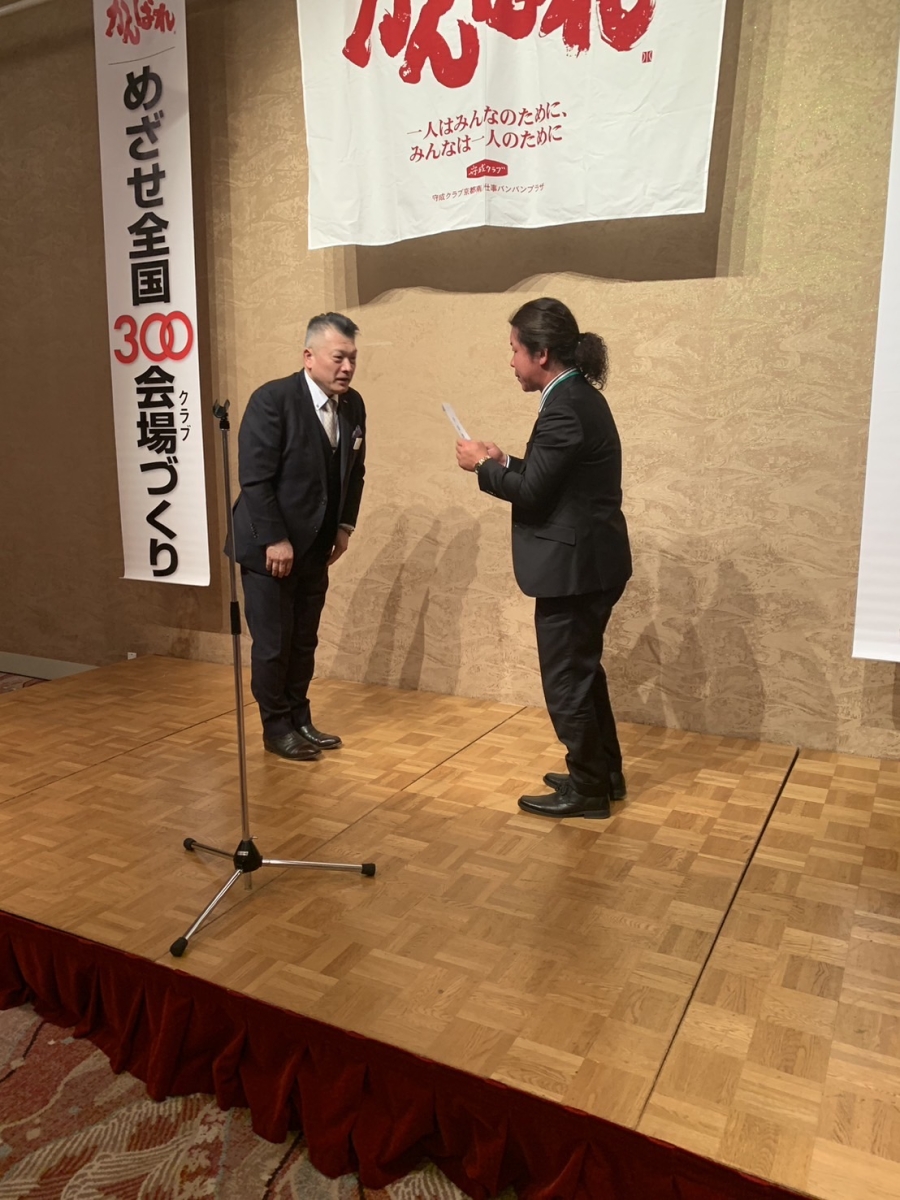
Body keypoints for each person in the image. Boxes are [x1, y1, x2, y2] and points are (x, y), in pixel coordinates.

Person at [456, 297, 631, 819]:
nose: (510, 360)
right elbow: (551, 478)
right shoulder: (576, 397)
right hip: (590, 563)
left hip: (575, 570)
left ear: (542, 353)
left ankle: (589, 790)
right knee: (583, 674)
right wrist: (504, 460)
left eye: (514, 349)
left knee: (566, 682)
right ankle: (603, 774)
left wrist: (481, 468)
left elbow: (533, 494)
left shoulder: (565, 407)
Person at [231, 312, 366, 761]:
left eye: (352, 358)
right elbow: (255, 478)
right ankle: (276, 727)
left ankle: (299, 717)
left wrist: (344, 527)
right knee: (274, 644)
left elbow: (355, 472)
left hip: (316, 547)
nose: (347, 367)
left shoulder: (353, 405)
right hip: (269, 547)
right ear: (309, 357)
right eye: (338, 357)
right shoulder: (272, 400)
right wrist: (275, 539)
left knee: (304, 640)